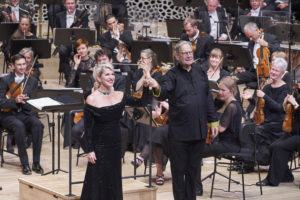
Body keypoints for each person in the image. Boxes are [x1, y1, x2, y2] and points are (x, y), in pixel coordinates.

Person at [146, 41, 218, 200]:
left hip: (198, 131)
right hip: (179, 133)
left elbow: (207, 97)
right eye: (184, 53)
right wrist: (156, 85)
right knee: (179, 172)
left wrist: (213, 121)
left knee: (193, 171)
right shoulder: (171, 74)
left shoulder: (200, 70)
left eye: (190, 52)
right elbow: (163, 93)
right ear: (177, 56)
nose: (188, 55)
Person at [80, 62, 149, 199]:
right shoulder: (92, 99)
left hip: (116, 144)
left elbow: (142, 103)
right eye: (107, 74)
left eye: (112, 74)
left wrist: (146, 85)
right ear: (99, 78)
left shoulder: (120, 95)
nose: (111, 77)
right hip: (99, 146)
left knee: (113, 179)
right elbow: (87, 128)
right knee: (97, 180)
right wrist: (90, 150)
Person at [71, 48, 126, 152]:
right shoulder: (93, 78)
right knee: (76, 131)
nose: (101, 63)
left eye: (104, 60)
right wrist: (94, 90)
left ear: (110, 61)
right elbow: (85, 95)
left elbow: (122, 98)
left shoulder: (119, 79)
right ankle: (91, 151)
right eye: (99, 61)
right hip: (93, 115)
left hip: (110, 116)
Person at [195, 76, 243, 196]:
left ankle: (196, 188)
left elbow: (220, 129)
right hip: (226, 143)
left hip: (228, 145)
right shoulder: (232, 104)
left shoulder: (232, 106)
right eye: (219, 89)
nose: (219, 92)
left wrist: (207, 120)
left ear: (231, 91)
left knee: (195, 153)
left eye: (223, 90)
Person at [242, 57, 289, 173]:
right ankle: (245, 161)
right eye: (272, 69)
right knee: (244, 126)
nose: (273, 72)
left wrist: (264, 96)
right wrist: (251, 99)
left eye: (276, 71)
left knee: (253, 130)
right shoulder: (267, 86)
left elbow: (279, 108)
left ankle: (252, 162)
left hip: (276, 124)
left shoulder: (285, 89)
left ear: (282, 74)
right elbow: (261, 105)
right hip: (265, 121)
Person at [0, 54, 44, 175]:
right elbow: (1, 102)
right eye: (19, 64)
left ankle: (36, 162)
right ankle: (24, 163)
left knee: (38, 125)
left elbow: (34, 102)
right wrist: (15, 100)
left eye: (24, 64)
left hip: (25, 113)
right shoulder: (5, 80)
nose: (22, 67)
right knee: (19, 126)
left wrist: (27, 102)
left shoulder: (33, 81)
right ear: (13, 66)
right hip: (8, 115)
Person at [256, 88, 300, 186]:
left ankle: (272, 180)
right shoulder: (298, 92)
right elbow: (288, 111)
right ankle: (286, 176)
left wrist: (295, 104)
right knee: (273, 146)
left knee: (279, 147)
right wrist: (285, 103)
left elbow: (297, 108)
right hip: (295, 131)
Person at [55, 0, 89, 84]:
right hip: (66, 43)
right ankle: (68, 77)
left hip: (79, 42)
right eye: (68, 3)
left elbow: (86, 30)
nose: (70, 5)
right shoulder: (59, 16)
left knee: (82, 49)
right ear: (65, 5)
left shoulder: (83, 14)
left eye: (72, 3)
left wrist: (79, 30)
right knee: (62, 50)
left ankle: (79, 77)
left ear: (76, 4)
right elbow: (57, 32)